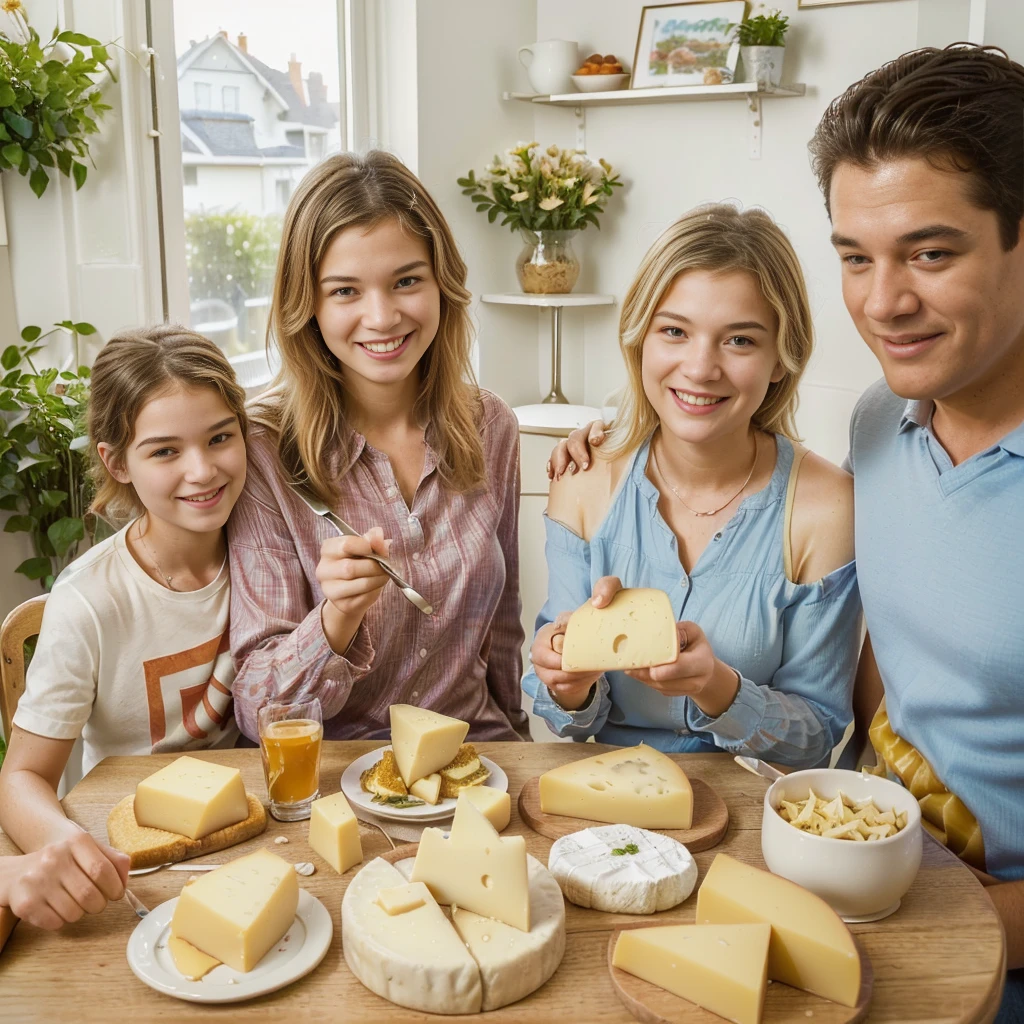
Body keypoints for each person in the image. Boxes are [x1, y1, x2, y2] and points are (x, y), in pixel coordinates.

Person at [553, 44, 1024, 1016]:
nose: (884, 301)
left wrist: (971, 918)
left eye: (930, 253)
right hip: (847, 857)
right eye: (855, 256)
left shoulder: (824, 484)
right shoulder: (877, 427)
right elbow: (890, 673)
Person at [523, 204, 860, 767]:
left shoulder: (826, 508)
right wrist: (565, 681)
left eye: (740, 341)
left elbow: (819, 733)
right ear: (640, 340)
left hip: (755, 812)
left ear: (781, 358)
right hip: (609, 804)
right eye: (675, 331)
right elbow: (558, 714)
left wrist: (719, 690)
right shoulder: (583, 478)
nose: (700, 368)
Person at [228, 151, 529, 744]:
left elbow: (503, 631)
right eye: (345, 290)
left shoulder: (491, 425)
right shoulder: (262, 448)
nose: (382, 316)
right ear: (306, 305)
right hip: (337, 783)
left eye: (407, 281)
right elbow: (257, 709)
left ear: (443, 283)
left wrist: (518, 750)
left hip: (475, 760)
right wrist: (336, 618)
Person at [0, 324, 249, 930]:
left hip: (245, 833)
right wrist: (63, 842)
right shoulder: (88, 601)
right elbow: (24, 775)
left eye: (221, 437)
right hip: (134, 862)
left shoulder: (267, 551)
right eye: (165, 451)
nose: (203, 471)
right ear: (117, 462)